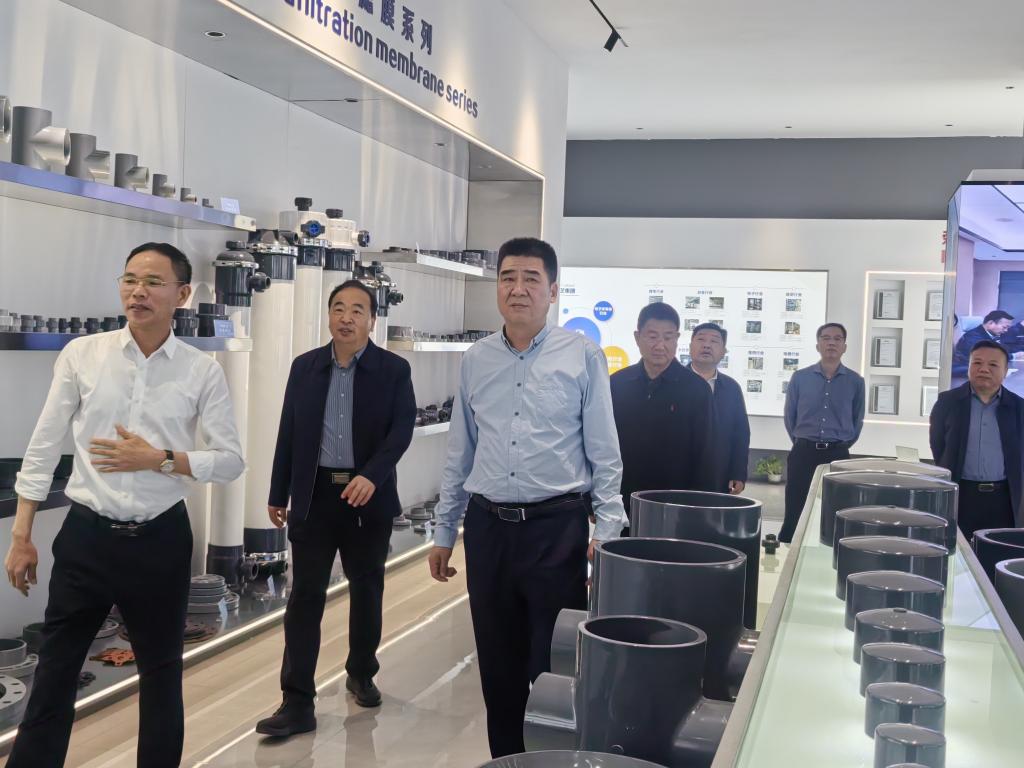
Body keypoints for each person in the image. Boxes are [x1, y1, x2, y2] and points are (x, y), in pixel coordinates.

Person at [3, 243, 244, 768]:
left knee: (161, 674)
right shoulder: (83, 354)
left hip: (160, 540)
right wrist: (21, 536)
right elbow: (43, 445)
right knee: (55, 672)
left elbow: (230, 461)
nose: (138, 292)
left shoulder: (201, 371)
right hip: (86, 538)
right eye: (130, 279)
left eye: (153, 282)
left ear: (182, 294)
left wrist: (160, 459)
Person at [427, 237, 625, 758]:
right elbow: (460, 452)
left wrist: (607, 530)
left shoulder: (581, 356)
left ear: (553, 291)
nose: (517, 289)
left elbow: (605, 452)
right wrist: (444, 530)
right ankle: (507, 759)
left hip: (556, 529)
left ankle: (552, 760)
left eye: (531, 279)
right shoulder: (477, 360)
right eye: (508, 277)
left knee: (553, 664)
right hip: (488, 528)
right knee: (497, 664)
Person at [256, 279, 416, 737]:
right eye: (338, 308)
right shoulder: (305, 367)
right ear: (328, 316)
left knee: (367, 590)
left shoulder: (393, 369)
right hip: (315, 497)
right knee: (304, 598)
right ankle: (296, 701)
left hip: (366, 497)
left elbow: (401, 430)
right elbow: (288, 431)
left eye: (357, 310)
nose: (346, 318)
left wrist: (373, 475)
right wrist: (278, 492)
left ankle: (361, 671)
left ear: (372, 320)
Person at [610, 303, 713, 530]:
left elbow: (705, 454)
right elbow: (602, 446)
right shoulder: (617, 383)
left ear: (677, 339)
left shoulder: (696, 389)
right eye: (652, 336)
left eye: (668, 337)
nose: (660, 345)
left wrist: (701, 509)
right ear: (637, 337)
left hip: (676, 506)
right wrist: (597, 500)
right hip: (623, 503)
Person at [929, 340, 1024, 541]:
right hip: (961, 495)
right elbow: (938, 445)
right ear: (969, 366)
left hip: (1004, 499)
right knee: (958, 550)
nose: (984, 369)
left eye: (993, 364)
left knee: (998, 550)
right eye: (977, 363)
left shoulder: (1019, 407)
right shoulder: (948, 402)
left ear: (1006, 371)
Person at [781, 322, 865, 543]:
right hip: (803, 452)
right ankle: (789, 551)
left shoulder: (856, 381)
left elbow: (857, 420)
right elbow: (790, 417)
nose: (831, 343)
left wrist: (841, 445)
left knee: (834, 509)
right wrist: (801, 442)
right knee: (796, 508)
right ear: (818, 345)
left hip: (837, 454)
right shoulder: (800, 378)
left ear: (844, 347)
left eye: (837, 338)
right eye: (826, 338)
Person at [688, 322, 751, 495]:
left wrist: (738, 473)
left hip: (718, 474)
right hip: (678, 474)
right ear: (690, 347)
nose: (707, 345)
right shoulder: (674, 382)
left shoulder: (731, 388)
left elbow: (741, 434)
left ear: (723, 352)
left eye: (714, 341)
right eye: (701, 339)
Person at [952, 310, 1014, 377]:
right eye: (1004, 327)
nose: (1006, 330)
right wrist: (1013, 356)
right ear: (991, 323)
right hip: (966, 374)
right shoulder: (972, 337)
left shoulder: (992, 335)